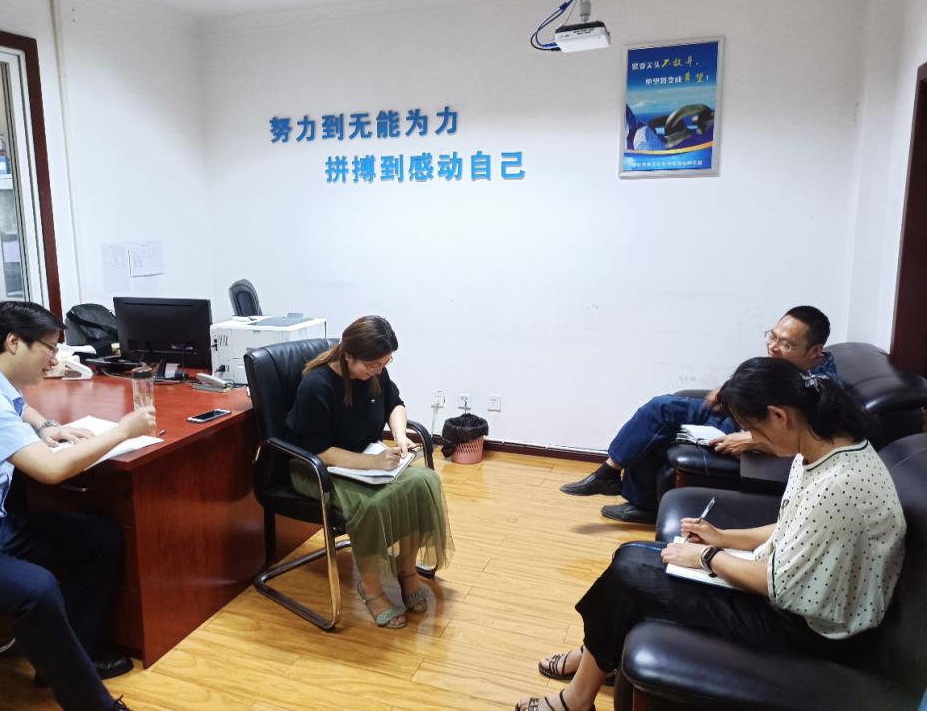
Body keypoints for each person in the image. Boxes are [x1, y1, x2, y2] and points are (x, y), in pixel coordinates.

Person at [516, 356, 905, 711]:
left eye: (752, 429)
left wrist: (707, 558)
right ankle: (597, 657)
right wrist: (723, 537)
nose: (752, 439)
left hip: (809, 630)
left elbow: (779, 584)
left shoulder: (838, 484)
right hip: (794, 598)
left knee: (631, 574)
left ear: (779, 415)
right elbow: (793, 528)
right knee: (630, 556)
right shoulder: (823, 449)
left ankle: (577, 698)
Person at [0, 301, 156, 711]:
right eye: (50, 348)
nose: (56, 359)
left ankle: (68, 660)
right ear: (14, 342)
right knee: (36, 588)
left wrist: (46, 426)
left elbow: (19, 407)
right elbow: (50, 471)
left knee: (100, 538)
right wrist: (124, 430)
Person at [561, 305, 840, 524]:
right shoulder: (789, 365)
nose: (773, 347)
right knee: (660, 409)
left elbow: (812, 439)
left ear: (815, 351)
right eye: (773, 336)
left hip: (749, 433)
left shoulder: (821, 389)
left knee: (660, 427)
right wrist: (730, 390)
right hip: (738, 416)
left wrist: (752, 440)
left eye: (786, 344)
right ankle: (617, 480)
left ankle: (625, 489)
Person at [285, 315, 453, 629]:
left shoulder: (375, 372)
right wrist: (374, 464)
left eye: (384, 363)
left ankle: (406, 572)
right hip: (316, 469)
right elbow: (320, 451)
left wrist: (400, 436)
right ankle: (371, 588)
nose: (378, 370)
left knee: (423, 483)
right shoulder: (317, 386)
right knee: (372, 504)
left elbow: (395, 403)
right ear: (349, 355)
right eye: (373, 365)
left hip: (363, 458)